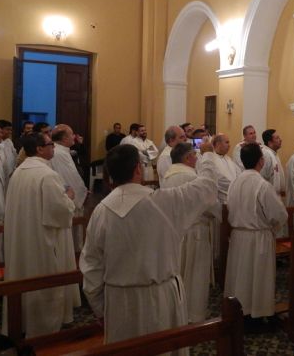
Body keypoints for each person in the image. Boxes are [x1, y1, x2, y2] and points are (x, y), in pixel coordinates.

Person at [79, 144, 222, 354]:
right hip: (161, 298)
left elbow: (91, 266)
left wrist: (101, 309)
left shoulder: (101, 212)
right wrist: (208, 154)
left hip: (119, 300)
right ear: (138, 169)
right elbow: (207, 187)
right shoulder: (164, 202)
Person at [3, 133, 80, 338]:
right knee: (44, 279)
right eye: (50, 144)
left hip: (23, 236)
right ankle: (44, 328)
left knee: (23, 274)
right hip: (42, 239)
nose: (53, 147)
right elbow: (60, 211)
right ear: (39, 149)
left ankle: (21, 321)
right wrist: (69, 197)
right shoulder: (47, 175)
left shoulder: (19, 172)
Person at [223, 143, 287, 329]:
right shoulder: (262, 185)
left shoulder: (235, 182)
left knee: (241, 276)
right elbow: (279, 214)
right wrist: (272, 229)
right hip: (258, 237)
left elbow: (229, 207)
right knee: (258, 276)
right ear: (261, 160)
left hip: (238, 236)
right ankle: (257, 314)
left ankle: (239, 312)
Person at [161, 142, 221, 323]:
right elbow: (210, 204)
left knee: (177, 273)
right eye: (194, 156)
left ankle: (176, 312)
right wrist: (221, 213)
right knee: (195, 275)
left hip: (174, 233)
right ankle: (194, 315)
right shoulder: (192, 177)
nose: (197, 159)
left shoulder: (168, 176)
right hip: (195, 232)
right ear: (187, 158)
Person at [199, 133, 241, 262]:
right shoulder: (211, 159)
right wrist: (235, 185)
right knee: (218, 236)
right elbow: (219, 180)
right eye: (226, 142)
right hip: (220, 202)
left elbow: (238, 175)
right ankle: (217, 261)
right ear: (217, 144)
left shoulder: (229, 159)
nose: (229, 145)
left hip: (232, 202)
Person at [51, 124, 89, 251]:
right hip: (68, 198)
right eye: (71, 134)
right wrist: (81, 192)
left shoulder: (62, 151)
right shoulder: (58, 153)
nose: (74, 136)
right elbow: (68, 178)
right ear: (63, 139)